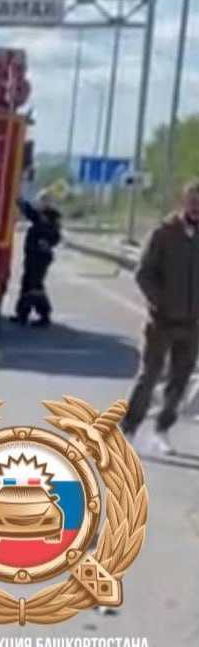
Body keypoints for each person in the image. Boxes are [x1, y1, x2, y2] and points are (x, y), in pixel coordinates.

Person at [122, 180, 199, 455]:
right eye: (193, 200)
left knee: (180, 380)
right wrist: (160, 302)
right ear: (184, 202)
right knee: (149, 376)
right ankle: (128, 428)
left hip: (192, 324)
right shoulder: (164, 233)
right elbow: (143, 273)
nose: (196, 206)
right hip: (162, 321)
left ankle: (161, 430)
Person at [14, 191, 62, 326]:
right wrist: (21, 203)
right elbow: (31, 213)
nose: (41, 203)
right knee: (27, 283)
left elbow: (55, 236)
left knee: (35, 286)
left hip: (40, 257)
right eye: (41, 200)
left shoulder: (51, 217)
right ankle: (22, 314)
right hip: (32, 254)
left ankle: (44, 315)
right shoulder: (42, 216)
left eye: (44, 201)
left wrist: (46, 242)